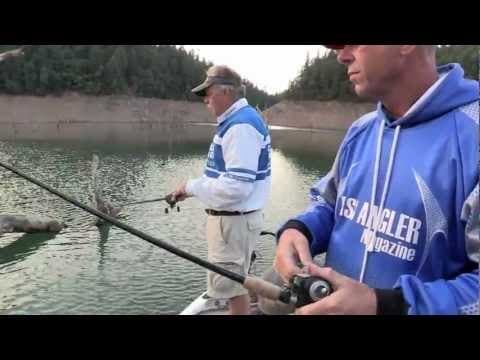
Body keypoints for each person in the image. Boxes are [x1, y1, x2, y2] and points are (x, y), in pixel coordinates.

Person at [274, 45, 479, 315]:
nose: (342, 56)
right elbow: (328, 203)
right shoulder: (361, 129)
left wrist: (384, 305)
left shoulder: (472, 135)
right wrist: (299, 229)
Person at [171, 65, 272, 315]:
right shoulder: (238, 121)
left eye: (208, 92)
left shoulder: (241, 126)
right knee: (235, 284)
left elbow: (236, 187)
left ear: (225, 92)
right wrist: (191, 189)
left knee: (232, 289)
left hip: (232, 225)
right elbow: (225, 177)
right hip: (234, 224)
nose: (205, 99)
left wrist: (192, 186)